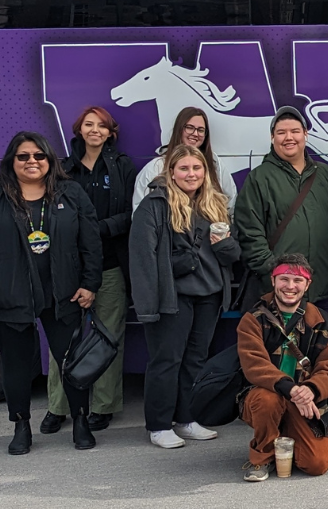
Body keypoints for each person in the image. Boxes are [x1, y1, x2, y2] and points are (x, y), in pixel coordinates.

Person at [0, 132, 103, 454]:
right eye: (23, 156)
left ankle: (80, 421)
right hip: (11, 295)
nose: (32, 162)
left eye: (39, 155)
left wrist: (90, 284)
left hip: (63, 293)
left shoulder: (71, 193)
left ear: (50, 160)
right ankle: (21, 425)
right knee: (17, 366)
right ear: (12, 161)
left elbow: (91, 242)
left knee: (72, 363)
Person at [129, 145, 241, 449]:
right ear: (171, 172)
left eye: (197, 168)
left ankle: (187, 418)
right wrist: (147, 305)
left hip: (209, 295)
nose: (191, 174)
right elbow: (142, 258)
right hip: (172, 298)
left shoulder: (214, 204)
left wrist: (223, 244)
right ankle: (159, 425)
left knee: (195, 359)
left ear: (205, 172)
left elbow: (233, 255)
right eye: (184, 168)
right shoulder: (155, 205)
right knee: (167, 361)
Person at [37, 107, 138, 435]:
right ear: (79, 129)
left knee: (110, 336)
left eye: (102, 126)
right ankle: (58, 406)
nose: (95, 130)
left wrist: (95, 229)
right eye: (89, 124)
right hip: (69, 269)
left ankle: (103, 405)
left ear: (111, 132)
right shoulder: (62, 169)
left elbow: (130, 214)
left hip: (110, 265)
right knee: (62, 338)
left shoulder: (122, 166)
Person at [238, 254, 328, 481]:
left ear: (307, 284)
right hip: (268, 394)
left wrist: (311, 389)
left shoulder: (321, 321)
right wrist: (291, 389)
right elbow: (254, 364)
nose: (290, 286)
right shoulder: (253, 318)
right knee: (267, 400)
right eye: (284, 279)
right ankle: (262, 457)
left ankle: (286, 436)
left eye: (298, 281)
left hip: (304, 398)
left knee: (316, 464)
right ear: (273, 280)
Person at [236, 106, 328, 305]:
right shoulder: (259, 178)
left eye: (295, 131)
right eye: (281, 132)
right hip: (277, 290)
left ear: (305, 134)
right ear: (273, 138)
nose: (289, 137)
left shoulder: (325, 175)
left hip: (318, 283)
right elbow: (249, 232)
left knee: (314, 336)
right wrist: (272, 269)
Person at [133, 106, 237, 207]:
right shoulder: (155, 168)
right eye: (189, 128)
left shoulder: (215, 164)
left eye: (200, 130)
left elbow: (231, 204)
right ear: (179, 129)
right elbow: (140, 212)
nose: (195, 133)